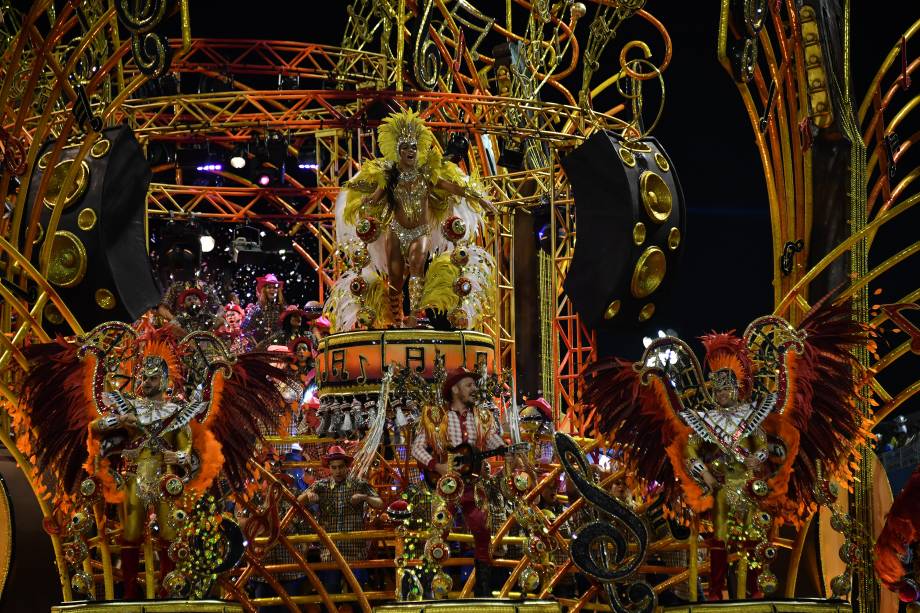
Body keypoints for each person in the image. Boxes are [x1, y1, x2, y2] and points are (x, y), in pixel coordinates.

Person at [330, 109, 496, 330]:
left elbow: (455, 187)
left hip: (420, 232)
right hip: (395, 231)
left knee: (417, 270)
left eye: (414, 148)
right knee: (396, 280)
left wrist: (482, 200)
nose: (411, 151)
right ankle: (396, 319)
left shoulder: (428, 175)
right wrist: (359, 203)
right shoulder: (390, 177)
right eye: (406, 148)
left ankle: (413, 317)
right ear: (398, 151)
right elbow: (374, 197)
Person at [411, 367, 507, 596]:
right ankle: (429, 591)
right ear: (455, 389)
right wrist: (437, 466)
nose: (474, 389)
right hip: (446, 487)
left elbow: (495, 442)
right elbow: (416, 448)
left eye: (474, 385)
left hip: (473, 486)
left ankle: (483, 593)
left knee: (483, 533)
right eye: (469, 385)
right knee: (437, 534)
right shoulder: (437, 417)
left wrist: (509, 450)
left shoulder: (482, 418)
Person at [298, 446, 383, 601]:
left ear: (346, 466)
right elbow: (298, 502)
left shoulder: (359, 484)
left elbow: (379, 503)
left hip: (355, 551)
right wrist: (309, 496)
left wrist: (364, 497)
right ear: (329, 468)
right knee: (331, 596)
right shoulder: (321, 486)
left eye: (341, 467)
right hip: (330, 552)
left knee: (358, 597)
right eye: (334, 468)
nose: (337, 471)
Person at [243, 273, 286, 343]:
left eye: (275, 287)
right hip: (261, 350)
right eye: (269, 287)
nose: (272, 289)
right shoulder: (256, 308)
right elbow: (245, 330)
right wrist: (256, 346)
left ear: (278, 290)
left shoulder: (282, 308)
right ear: (264, 290)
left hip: (279, 348)